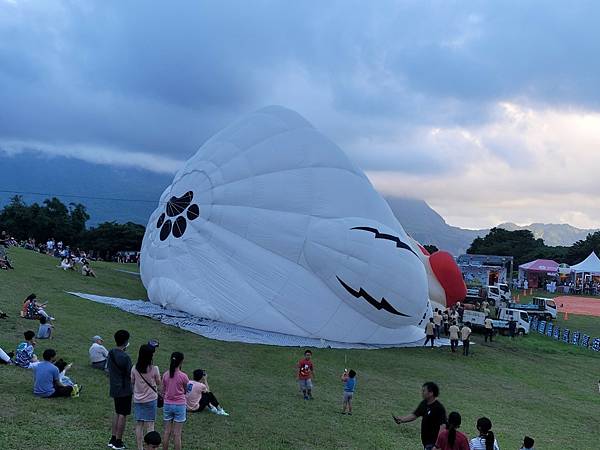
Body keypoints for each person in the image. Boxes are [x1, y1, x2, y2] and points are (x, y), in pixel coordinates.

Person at [393, 382, 447, 450]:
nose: (422, 392)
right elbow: (415, 415)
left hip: (433, 443)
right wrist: (402, 419)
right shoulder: (424, 403)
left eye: (424, 391)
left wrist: (437, 445)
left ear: (431, 393)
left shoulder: (439, 408)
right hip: (426, 441)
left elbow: (443, 426)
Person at [131, 344, 162, 450]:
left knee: (139, 424)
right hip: (151, 399)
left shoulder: (135, 368)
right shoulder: (154, 369)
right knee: (150, 424)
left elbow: (132, 381)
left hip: (138, 399)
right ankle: (151, 446)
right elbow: (158, 383)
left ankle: (140, 447)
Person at [107, 329, 133, 450]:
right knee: (123, 414)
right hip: (125, 389)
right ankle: (118, 441)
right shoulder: (125, 357)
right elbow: (130, 374)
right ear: (126, 341)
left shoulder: (111, 352)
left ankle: (113, 438)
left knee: (117, 413)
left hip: (114, 387)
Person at [162, 352, 189, 450]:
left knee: (166, 432)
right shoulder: (183, 376)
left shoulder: (165, 374)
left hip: (167, 404)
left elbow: (163, 390)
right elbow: (186, 390)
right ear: (181, 362)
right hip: (179, 405)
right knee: (177, 434)